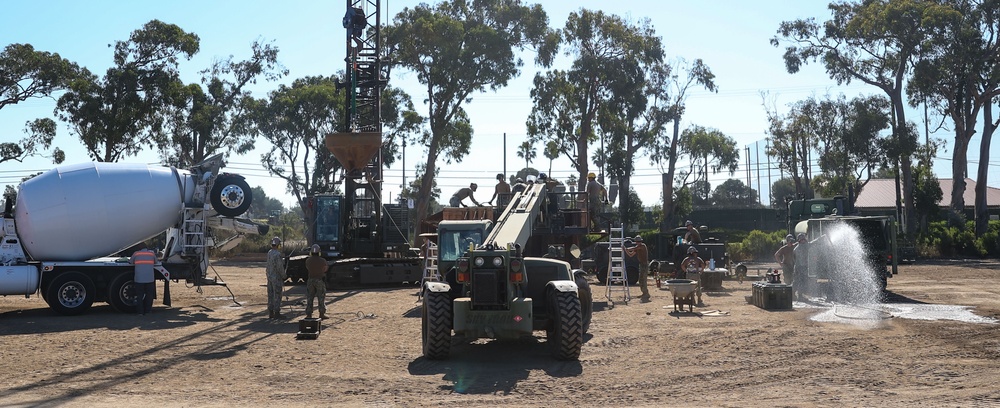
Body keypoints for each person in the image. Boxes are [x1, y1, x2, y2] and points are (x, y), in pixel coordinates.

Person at [130, 243, 157, 315]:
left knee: (139, 296)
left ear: (139, 248)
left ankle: (140, 312)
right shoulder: (151, 253)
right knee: (149, 295)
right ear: (147, 247)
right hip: (149, 278)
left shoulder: (136, 254)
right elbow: (156, 262)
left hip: (139, 278)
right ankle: (148, 311)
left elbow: (131, 262)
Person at [304, 244, 329, 319]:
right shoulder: (323, 261)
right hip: (319, 280)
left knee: (310, 297)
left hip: (310, 280)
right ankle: (321, 313)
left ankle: (309, 314)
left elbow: (307, 268)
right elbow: (325, 269)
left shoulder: (308, 260)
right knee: (321, 297)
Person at [266, 236, 286, 319]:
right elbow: (279, 267)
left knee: (270, 295)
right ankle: (277, 312)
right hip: (276, 278)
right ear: (278, 245)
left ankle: (271, 312)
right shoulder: (277, 254)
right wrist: (284, 275)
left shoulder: (269, 252)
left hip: (269, 277)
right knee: (277, 295)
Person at [625, 235, 650, 302]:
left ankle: (646, 293)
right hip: (641, 265)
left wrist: (627, 249)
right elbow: (630, 255)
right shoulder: (637, 248)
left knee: (643, 279)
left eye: (639, 241)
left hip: (644, 265)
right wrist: (625, 250)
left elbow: (632, 249)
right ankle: (644, 293)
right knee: (641, 279)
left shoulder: (642, 246)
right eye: (637, 241)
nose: (638, 242)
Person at [792, 233, 809, 301]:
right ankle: (799, 295)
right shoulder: (803, 247)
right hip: (801, 267)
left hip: (798, 267)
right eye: (803, 239)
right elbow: (812, 243)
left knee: (797, 281)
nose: (804, 240)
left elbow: (794, 259)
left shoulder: (796, 249)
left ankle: (795, 294)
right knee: (801, 281)